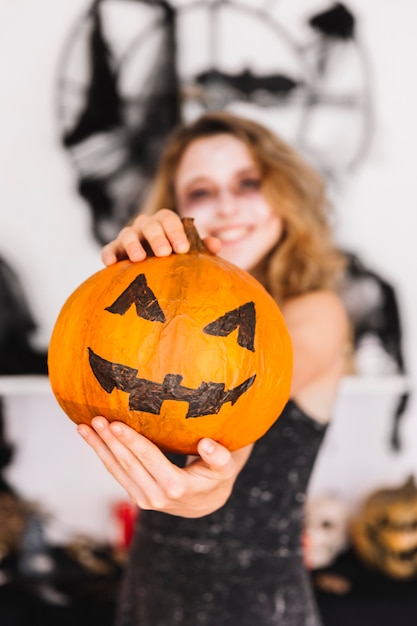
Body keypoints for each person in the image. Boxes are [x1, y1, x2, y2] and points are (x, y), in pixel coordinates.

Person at [77, 111, 350, 626]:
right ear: (179, 211)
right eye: (201, 192)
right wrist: (131, 271)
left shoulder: (317, 311)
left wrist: (214, 482)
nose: (226, 205)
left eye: (248, 182)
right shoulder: (162, 324)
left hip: (259, 606)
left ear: (283, 195)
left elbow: (245, 391)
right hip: (148, 591)